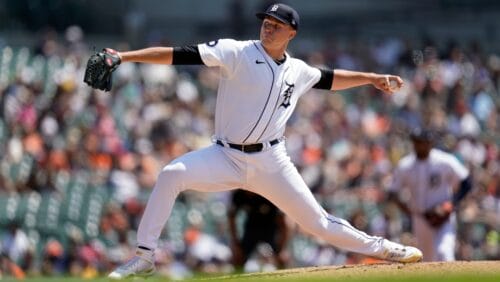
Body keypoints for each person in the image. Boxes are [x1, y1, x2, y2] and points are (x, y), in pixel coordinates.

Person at [97, 3, 423, 279]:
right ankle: (144, 255)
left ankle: (386, 249)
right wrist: (124, 57)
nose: (268, 28)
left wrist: (371, 78)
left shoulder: (297, 69)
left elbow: (330, 78)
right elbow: (179, 55)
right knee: (171, 174)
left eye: (277, 25)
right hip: (224, 156)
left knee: (318, 223)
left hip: (271, 161)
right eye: (266, 22)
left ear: (291, 33)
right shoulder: (236, 51)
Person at [388, 128, 472, 261]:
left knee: (444, 252)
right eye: (416, 141)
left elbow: (467, 182)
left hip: (443, 218)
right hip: (420, 219)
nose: (419, 145)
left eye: (422, 141)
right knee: (426, 259)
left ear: (430, 143)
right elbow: (392, 192)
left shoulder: (444, 160)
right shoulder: (405, 165)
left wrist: (451, 204)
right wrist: (407, 210)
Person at [227, 189, 290, 270]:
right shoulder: (239, 194)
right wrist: (235, 243)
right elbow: (231, 217)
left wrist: (282, 248)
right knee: (238, 258)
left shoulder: (269, 192)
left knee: (282, 259)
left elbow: (283, 222)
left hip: (270, 228)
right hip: (251, 228)